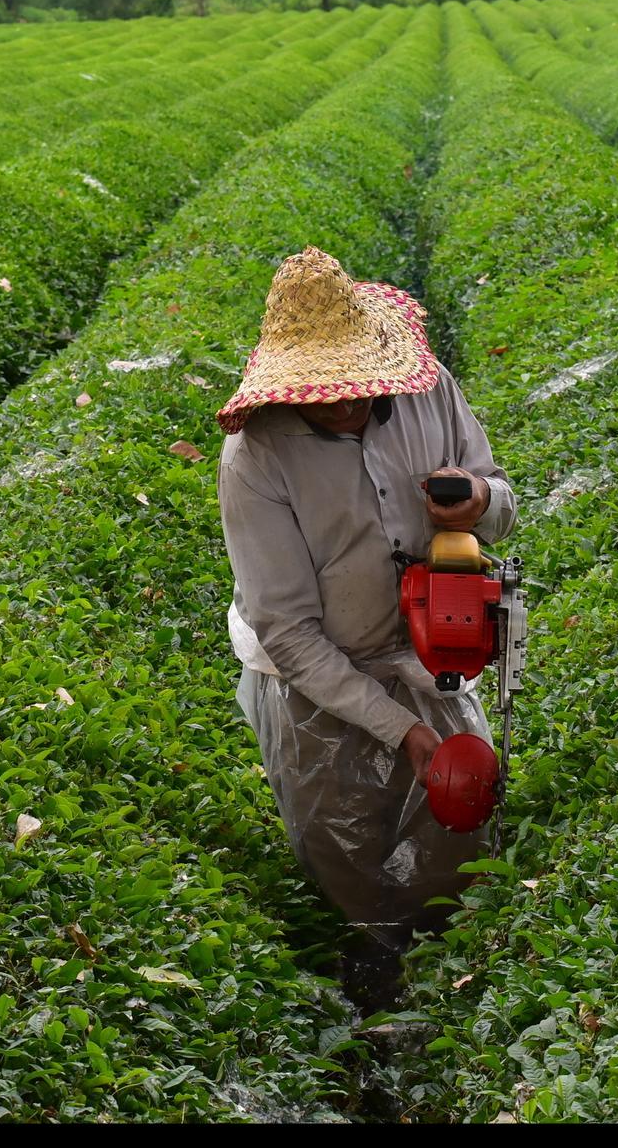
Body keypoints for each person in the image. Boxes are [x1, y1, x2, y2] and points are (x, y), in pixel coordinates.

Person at [215, 247, 517, 1013]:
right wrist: (400, 731)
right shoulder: (256, 457)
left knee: (458, 816)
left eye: (360, 387)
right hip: (313, 676)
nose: (349, 404)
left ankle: (447, 983)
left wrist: (477, 500)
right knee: (341, 839)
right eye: (328, 394)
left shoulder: (429, 392)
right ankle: (369, 978)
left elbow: (505, 498)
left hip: (427, 653)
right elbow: (287, 629)